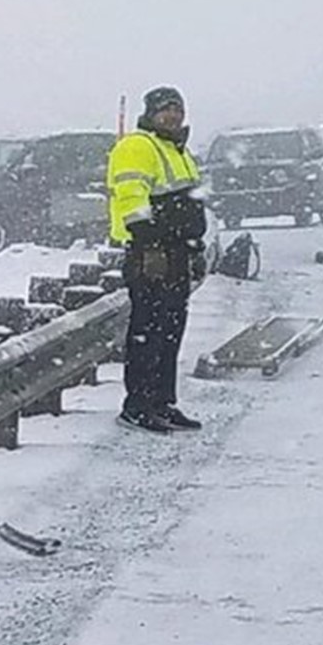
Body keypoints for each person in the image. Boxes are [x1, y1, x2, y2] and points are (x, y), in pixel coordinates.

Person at [106, 85, 209, 433]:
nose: (173, 115)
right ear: (150, 114)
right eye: (165, 109)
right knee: (147, 332)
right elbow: (131, 198)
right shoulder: (138, 146)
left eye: (177, 109)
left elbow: (189, 204)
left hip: (176, 254)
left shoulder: (177, 149)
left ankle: (163, 402)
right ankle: (137, 405)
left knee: (169, 332)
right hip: (151, 254)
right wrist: (149, 244)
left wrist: (194, 247)